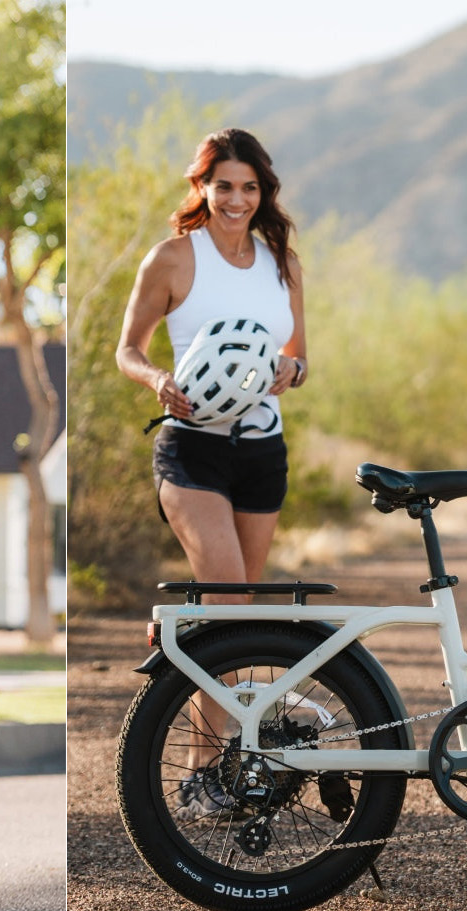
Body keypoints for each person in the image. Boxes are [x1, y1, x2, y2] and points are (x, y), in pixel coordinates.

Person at [115, 127, 307, 600]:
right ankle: (180, 668)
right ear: (202, 186)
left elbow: (299, 356)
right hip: (194, 450)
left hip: (265, 452)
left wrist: (292, 371)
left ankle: (195, 669)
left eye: (249, 187)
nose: (236, 200)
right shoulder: (172, 259)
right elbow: (127, 351)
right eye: (224, 186)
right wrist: (158, 379)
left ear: (263, 193)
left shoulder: (283, 264)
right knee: (228, 599)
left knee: (242, 618)